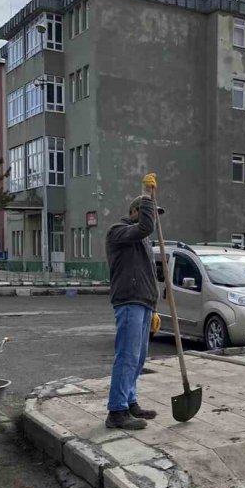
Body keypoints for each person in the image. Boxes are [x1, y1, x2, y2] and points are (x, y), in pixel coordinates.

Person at [105, 173, 163, 430]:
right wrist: (148, 194)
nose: (153, 218)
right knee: (127, 356)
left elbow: (148, 275)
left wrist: (154, 308)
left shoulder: (143, 241)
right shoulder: (117, 232)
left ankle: (129, 403)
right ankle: (116, 412)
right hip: (128, 301)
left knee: (138, 358)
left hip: (142, 303)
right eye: (148, 211)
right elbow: (145, 227)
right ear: (134, 211)